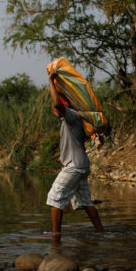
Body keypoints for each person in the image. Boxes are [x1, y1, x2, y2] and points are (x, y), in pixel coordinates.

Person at [45, 66, 104, 241]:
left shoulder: (71, 115)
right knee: (86, 201)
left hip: (75, 167)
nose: (54, 108)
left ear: (65, 104)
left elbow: (56, 104)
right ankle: (101, 232)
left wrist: (51, 81)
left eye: (58, 106)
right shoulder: (69, 119)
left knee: (55, 197)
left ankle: (56, 236)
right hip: (80, 165)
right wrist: (62, 157)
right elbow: (72, 143)